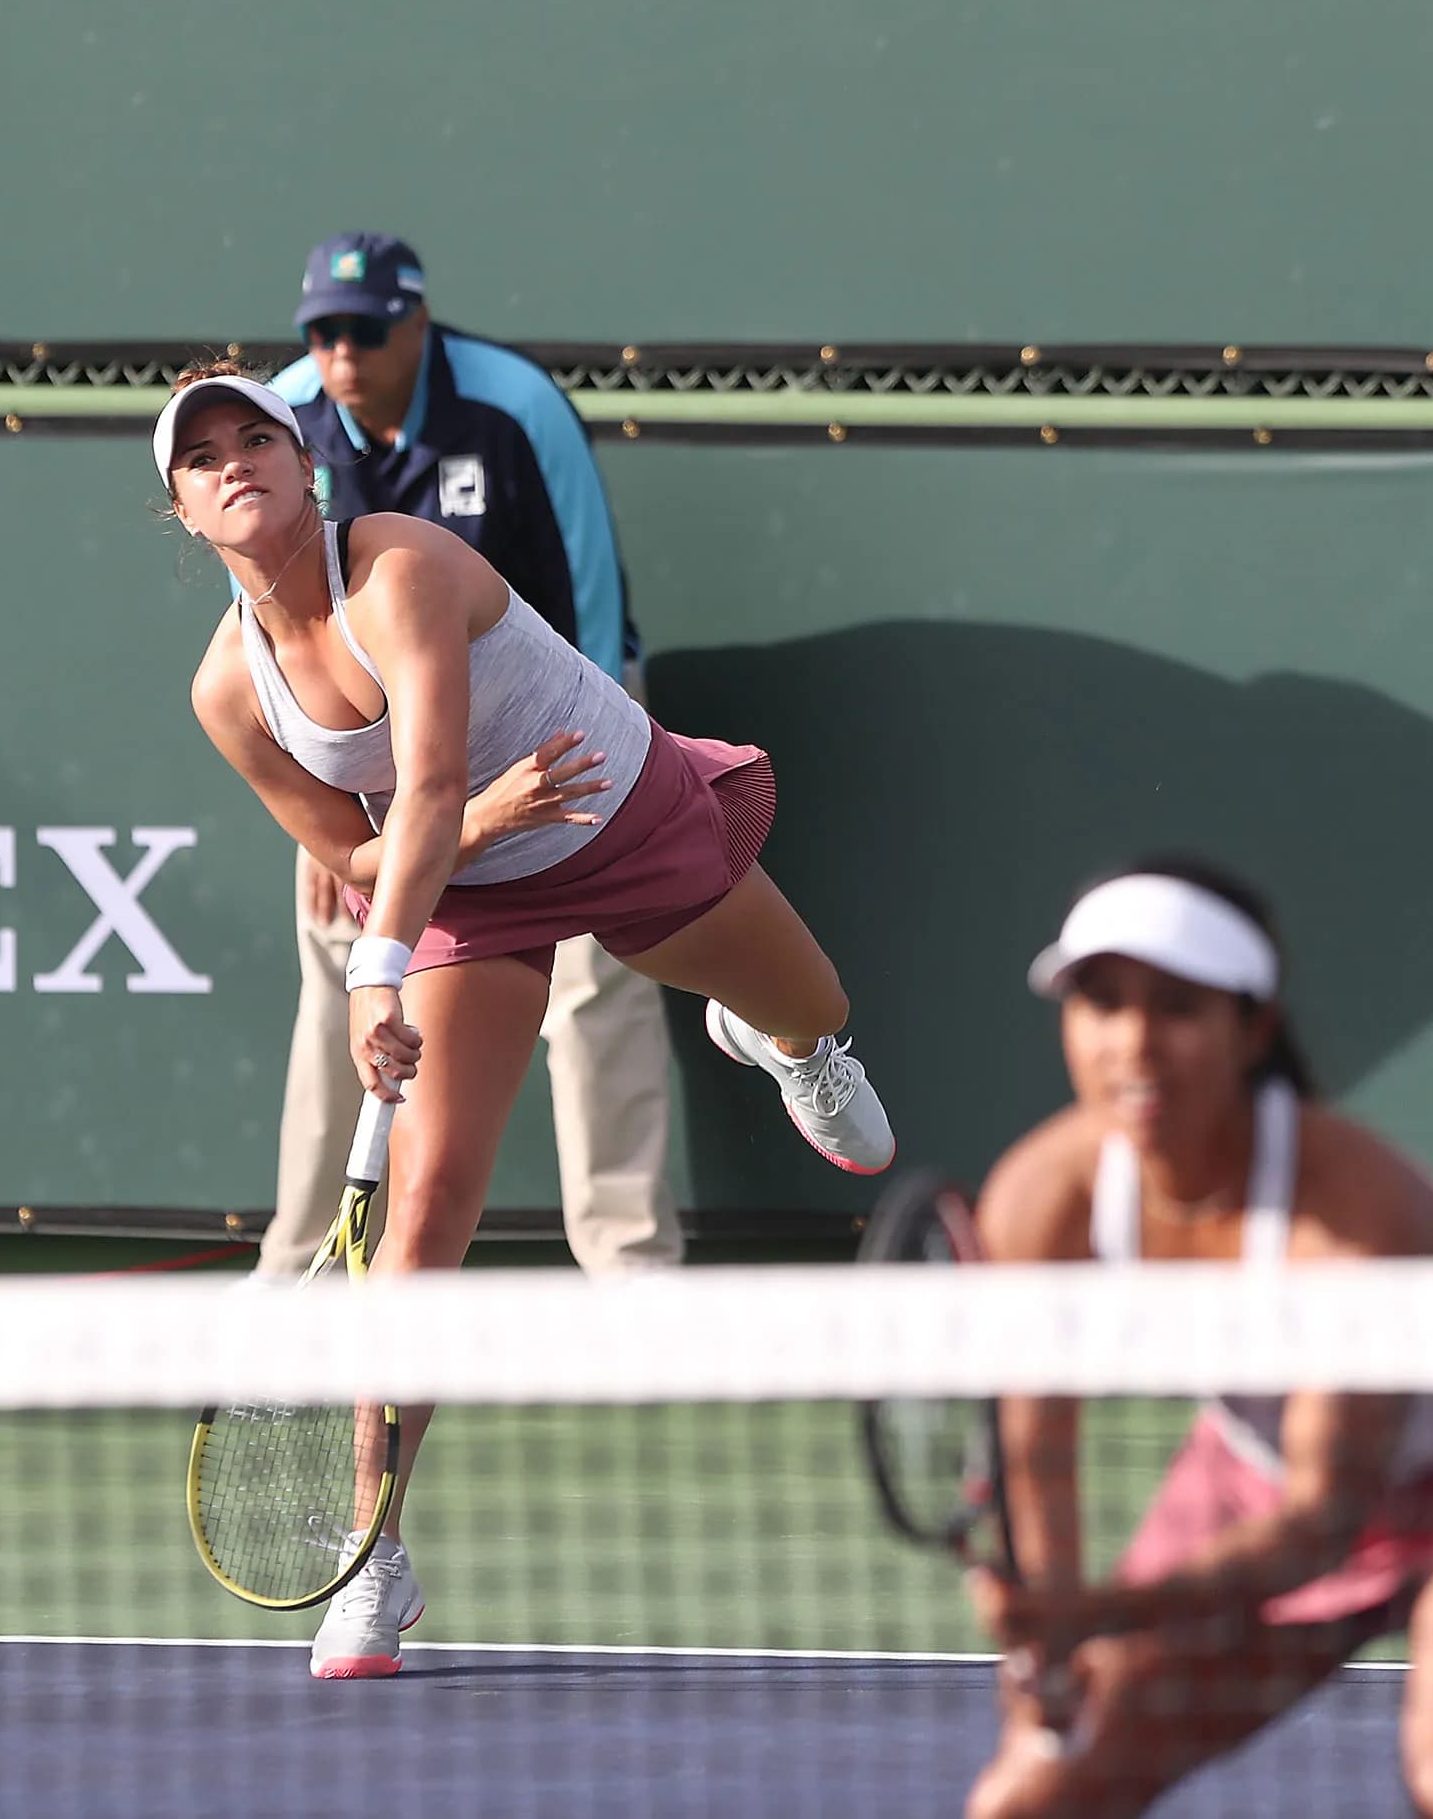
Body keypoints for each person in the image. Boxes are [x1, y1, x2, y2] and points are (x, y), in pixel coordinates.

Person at [156, 363, 897, 1679]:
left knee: (813, 1000)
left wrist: (382, 960)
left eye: (254, 437)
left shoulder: (402, 566)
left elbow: (434, 781)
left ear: (305, 463)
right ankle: (373, 1542)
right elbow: (347, 849)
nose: (234, 463)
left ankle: (786, 1045)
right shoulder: (229, 694)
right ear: (185, 515)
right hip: (467, 903)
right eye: (202, 457)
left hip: (612, 810)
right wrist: (397, 951)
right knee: (429, 1199)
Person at [961, 856, 1433, 1818]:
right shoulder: (1042, 1195)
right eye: (1099, 1001)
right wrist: (1044, 1625)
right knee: (1036, 1798)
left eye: (1176, 1006)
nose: (1130, 1042)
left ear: (1252, 1028)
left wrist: (1097, 1614)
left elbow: (1322, 1523)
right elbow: (1031, 1449)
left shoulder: (1362, 1215)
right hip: (1259, 1466)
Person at [255, 230, 682, 1277]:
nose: (340, 353)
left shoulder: (515, 406)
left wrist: (582, 772)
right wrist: (325, 819)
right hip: (376, 760)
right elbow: (269, 629)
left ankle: (631, 1275)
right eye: (321, 332)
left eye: (362, 330)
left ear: (416, 321)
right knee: (341, 976)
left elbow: (590, 601)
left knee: (597, 982)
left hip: (556, 729)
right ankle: (297, 1268)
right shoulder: (282, 418)